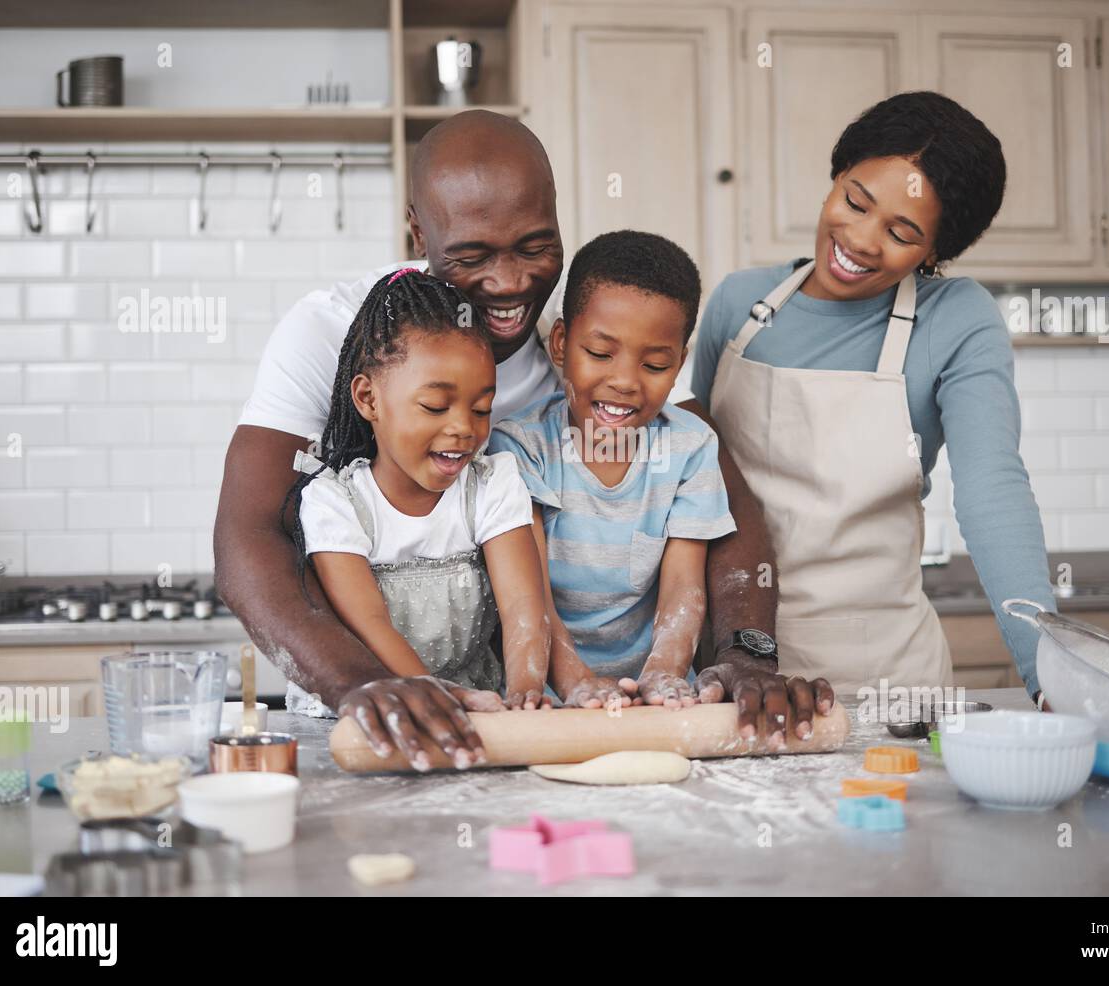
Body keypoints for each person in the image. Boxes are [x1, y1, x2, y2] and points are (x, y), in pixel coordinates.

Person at [215, 110, 832, 770]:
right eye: (473, 256)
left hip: (508, 716)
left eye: (535, 247)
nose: (510, 284)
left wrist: (745, 652)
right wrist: (362, 684)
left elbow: (724, 506)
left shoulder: (595, 337)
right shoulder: (339, 333)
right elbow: (248, 535)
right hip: (378, 711)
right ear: (419, 230)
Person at [691, 91, 1055, 703]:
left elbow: (994, 490)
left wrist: (1053, 677)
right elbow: (692, 479)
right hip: (735, 671)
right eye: (855, 201)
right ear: (837, 177)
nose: (860, 239)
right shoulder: (737, 304)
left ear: (936, 252)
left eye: (902, 232)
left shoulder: (957, 320)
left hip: (884, 680)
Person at [283, 271, 552, 763]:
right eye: (434, 405)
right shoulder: (335, 502)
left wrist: (527, 692)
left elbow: (523, 610)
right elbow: (369, 622)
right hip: (370, 720)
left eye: (481, 409)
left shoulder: (492, 486)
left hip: (479, 713)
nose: (462, 429)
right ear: (368, 399)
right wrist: (430, 695)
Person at [490, 231, 735, 710]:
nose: (624, 381)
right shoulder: (522, 447)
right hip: (546, 694)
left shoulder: (690, 447)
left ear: (679, 363)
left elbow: (683, 589)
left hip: (654, 699)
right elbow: (529, 590)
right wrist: (573, 679)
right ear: (561, 344)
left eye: (655, 364)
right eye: (600, 354)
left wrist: (664, 672)